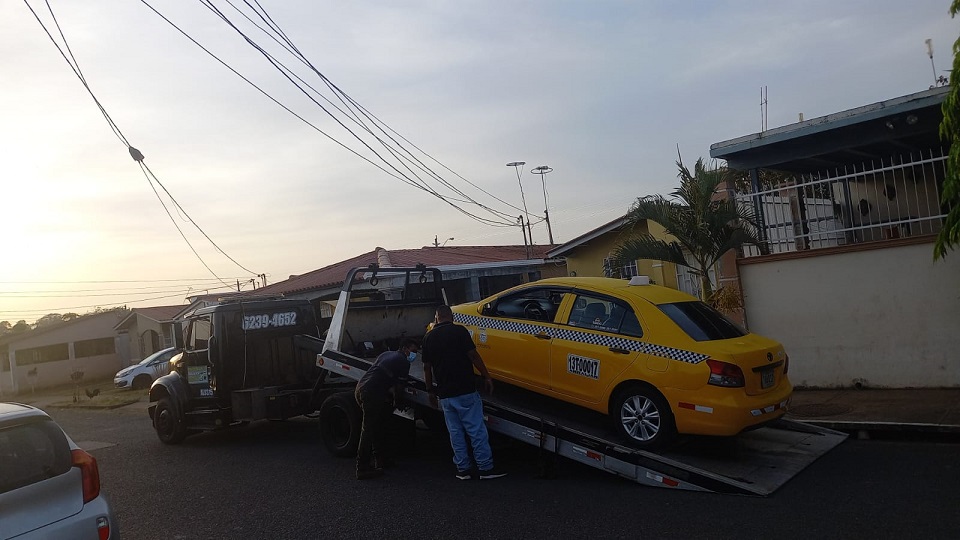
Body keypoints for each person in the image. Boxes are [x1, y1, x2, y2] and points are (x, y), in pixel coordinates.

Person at [421, 304, 506, 481]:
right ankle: (485, 468)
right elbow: (473, 355)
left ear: (436, 318)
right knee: (475, 430)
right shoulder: (460, 332)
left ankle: (463, 469)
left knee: (455, 432)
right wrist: (487, 376)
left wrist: (430, 390)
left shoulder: (428, 338)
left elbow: (426, 367)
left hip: (445, 393)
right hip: (465, 389)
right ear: (451, 317)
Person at [354, 338, 419, 480]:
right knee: (369, 429)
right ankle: (362, 467)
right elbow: (399, 388)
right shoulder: (403, 361)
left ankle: (381, 460)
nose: (414, 355)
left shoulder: (386, 354)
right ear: (405, 348)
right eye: (413, 351)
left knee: (377, 426)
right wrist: (398, 403)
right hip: (372, 393)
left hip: (361, 388)